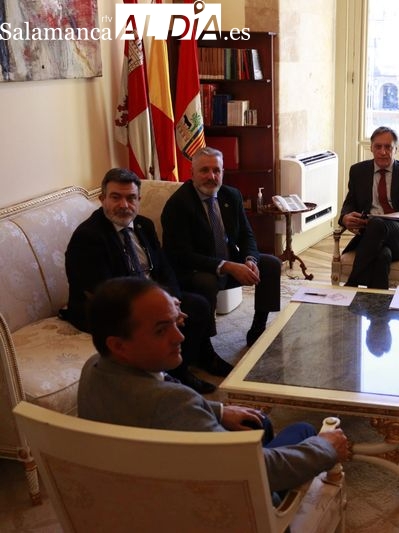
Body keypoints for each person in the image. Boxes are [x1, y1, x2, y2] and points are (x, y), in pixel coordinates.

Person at [78, 277, 349, 493]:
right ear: (119, 345)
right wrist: (324, 447)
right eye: (161, 330)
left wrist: (218, 412)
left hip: (143, 488)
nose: (179, 336)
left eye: (175, 321)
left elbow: (157, 409)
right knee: (303, 429)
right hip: (217, 506)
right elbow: (257, 472)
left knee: (259, 423)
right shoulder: (172, 403)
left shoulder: (93, 368)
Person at [64, 168, 228, 394]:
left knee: (198, 306)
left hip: (148, 295)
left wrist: (172, 300)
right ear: (102, 199)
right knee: (159, 322)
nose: (124, 205)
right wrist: (159, 308)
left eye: (131, 198)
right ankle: (172, 378)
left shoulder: (144, 225)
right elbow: (104, 292)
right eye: (116, 197)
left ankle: (180, 368)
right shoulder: (89, 237)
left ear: (139, 200)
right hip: (108, 308)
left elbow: (164, 269)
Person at [161, 147, 282, 347]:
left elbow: (246, 235)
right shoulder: (178, 204)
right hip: (194, 270)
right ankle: (204, 345)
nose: (211, 176)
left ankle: (258, 327)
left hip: (227, 262)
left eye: (216, 170)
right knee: (207, 281)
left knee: (270, 264)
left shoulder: (231, 195)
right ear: (192, 174)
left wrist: (250, 260)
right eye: (204, 170)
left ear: (223, 173)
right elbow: (180, 255)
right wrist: (226, 266)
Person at [338, 126, 399, 289]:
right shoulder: (358, 171)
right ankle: (378, 308)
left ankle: (352, 283)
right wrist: (344, 217)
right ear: (371, 148)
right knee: (382, 255)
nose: (383, 152)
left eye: (388, 147)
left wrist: (394, 217)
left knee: (378, 223)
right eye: (378, 146)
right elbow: (350, 203)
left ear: (396, 149)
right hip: (371, 236)